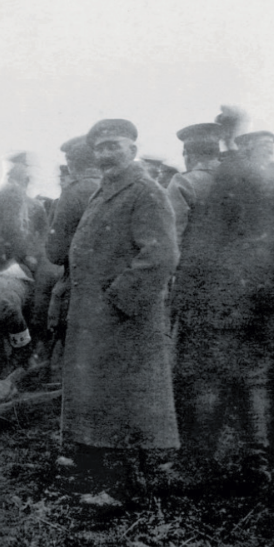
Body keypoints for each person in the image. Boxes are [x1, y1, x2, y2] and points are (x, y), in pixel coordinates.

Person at [59, 118, 180, 505]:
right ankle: (101, 472)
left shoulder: (145, 191)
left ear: (132, 149)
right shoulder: (104, 191)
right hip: (95, 317)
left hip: (122, 319)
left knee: (123, 400)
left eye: (114, 145)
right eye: (100, 147)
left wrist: (118, 301)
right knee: (99, 397)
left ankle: (122, 486)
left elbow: (161, 253)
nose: (105, 153)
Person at [172, 129, 274, 490]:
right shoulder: (270, 181)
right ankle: (257, 460)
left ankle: (201, 461)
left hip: (210, 295)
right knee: (253, 378)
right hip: (262, 293)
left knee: (205, 376)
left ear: (189, 153)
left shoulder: (186, 184)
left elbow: (173, 245)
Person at [44, 136, 102, 369]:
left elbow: (55, 253)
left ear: (71, 163)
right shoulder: (117, 187)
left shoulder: (73, 192)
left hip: (78, 292)